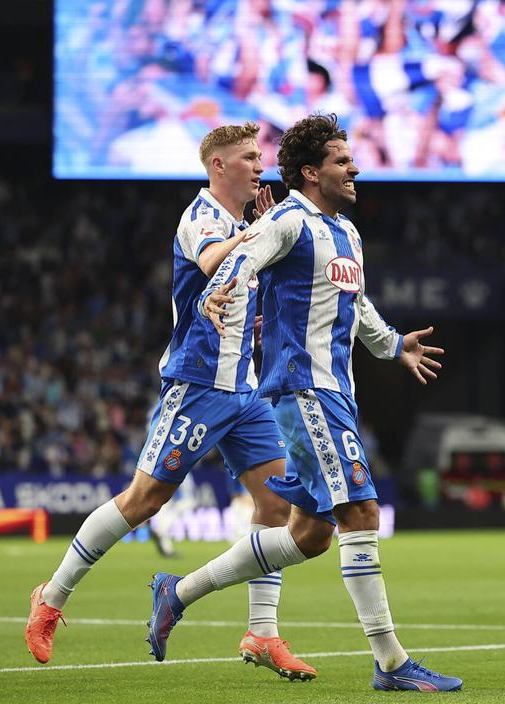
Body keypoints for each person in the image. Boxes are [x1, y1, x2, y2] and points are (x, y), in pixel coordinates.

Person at [145, 113, 462, 692]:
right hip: (303, 388)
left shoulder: (346, 232)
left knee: (310, 537)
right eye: (343, 160)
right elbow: (244, 257)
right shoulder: (288, 220)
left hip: (336, 392)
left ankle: (178, 590)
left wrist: (394, 346)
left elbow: (358, 304)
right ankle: (391, 664)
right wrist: (217, 294)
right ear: (312, 172)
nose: (355, 168)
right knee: (361, 514)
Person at [26, 123, 317, 681]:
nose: (260, 165)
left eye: (260, 156)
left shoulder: (241, 223)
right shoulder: (203, 217)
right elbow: (210, 263)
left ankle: (262, 632)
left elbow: (229, 289)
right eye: (249, 157)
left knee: (277, 503)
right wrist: (259, 231)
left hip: (246, 389)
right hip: (198, 385)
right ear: (218, 166)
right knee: (144, 501)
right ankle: (51, 596)